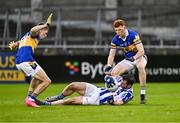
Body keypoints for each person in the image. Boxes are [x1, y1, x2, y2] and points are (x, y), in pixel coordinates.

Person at [8, 13, 53, 107]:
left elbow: (20, 42)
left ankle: (29, 97)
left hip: (19, 63)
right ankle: (31, 99)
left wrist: (14, 45)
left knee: (36, 79)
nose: (46, 34)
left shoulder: (27, 36)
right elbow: (32, 29)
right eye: (46, 31)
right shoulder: (34, 34)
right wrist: (46, 24)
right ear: (40, 29)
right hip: (26, 61)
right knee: (47, 81)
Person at [103, 19, 147, 104]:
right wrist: (108, 65)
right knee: (113, 73)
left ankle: (142, 94)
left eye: (120, 30)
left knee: (141, 67)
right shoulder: (115, 39)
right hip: (128, 60)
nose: (118, 32)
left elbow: (141, 51)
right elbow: (111, 55)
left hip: (139, 57)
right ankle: (118, 94)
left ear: (124, 27)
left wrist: (134, 58)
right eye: (116, 30)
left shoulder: (133, 35)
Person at [38, 74, 135, 106]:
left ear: (129, 85)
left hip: (97, 100)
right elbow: (110, 79)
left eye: (124, 83)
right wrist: (108, 78)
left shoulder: (128, 93)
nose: (121, 83)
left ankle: (47, 104)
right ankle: (57, 97)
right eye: (122, 81)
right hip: (96, 90)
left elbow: (120, 102)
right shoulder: (121, 80)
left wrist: (112, 102)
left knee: (72, 100)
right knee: (73, 85)